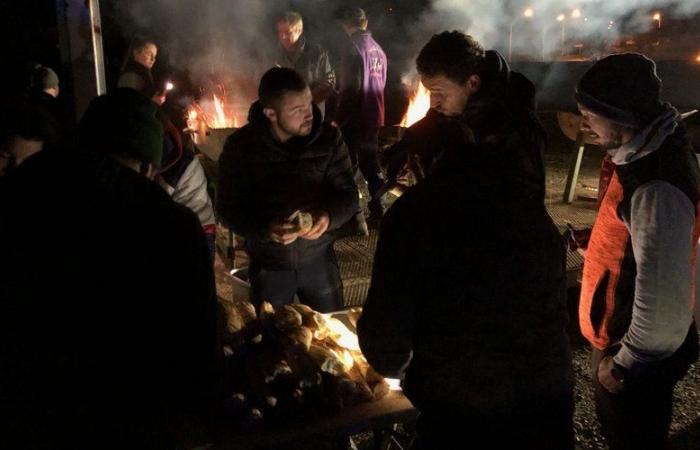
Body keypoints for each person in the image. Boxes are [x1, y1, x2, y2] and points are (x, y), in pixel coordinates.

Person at [357, 31, 574, 450]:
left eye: (438, 93)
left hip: (466, 405)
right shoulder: (529, 216)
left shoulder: (510, 142)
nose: (433, 103)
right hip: (546, 391)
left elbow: (387, 343)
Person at [0, 88, 219, 449]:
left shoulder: (20, 193)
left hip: (37, 409)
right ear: (148, 165)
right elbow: (198, 345)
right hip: (139, 413)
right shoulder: (169, 224)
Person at [575, 53, 700, 450]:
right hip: (624, 338)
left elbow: (663, 299)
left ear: (621, 116)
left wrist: (627, 364)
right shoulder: (645, 152)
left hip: (634, 355)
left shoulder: (657, 188)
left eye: (591, 114)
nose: (584, 123)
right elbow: (636, 238)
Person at [217, 67, 357, 313]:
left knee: (331, 332)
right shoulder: (241, 147)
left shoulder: (329, 139)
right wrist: (266, 228)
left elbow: (348, 194)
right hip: (269, 264)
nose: (309, 115)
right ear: (270, 113)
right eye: (297, 110)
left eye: (309, 104)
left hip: (319, 260)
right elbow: (227, 208)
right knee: (269, 339)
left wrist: (327, 216)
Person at [119, 36, 217, 255]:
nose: (153, 59)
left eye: (155, 56)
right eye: (148, 54)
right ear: (135, 53)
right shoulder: (132, 77)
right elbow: (132, 108)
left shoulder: (182, 169)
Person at [334, 7, 387, 226]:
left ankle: (354, 219)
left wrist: (338, 119)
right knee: (371, 164)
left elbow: (350, 90)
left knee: (348, 167)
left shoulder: (352, 47)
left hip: (355, 119)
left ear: (346, 25)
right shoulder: (378, 49)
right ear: (365, 22)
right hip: (374, 116)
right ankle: (381, 210)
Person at [274, 11, 335, 113]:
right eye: (280, 33)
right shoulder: (274, 53)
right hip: (285, 115)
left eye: (288, 33)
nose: (282, 37)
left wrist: (305, 98)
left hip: (312, 113)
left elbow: (329, 81)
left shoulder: (317, 52)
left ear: (299, 30)